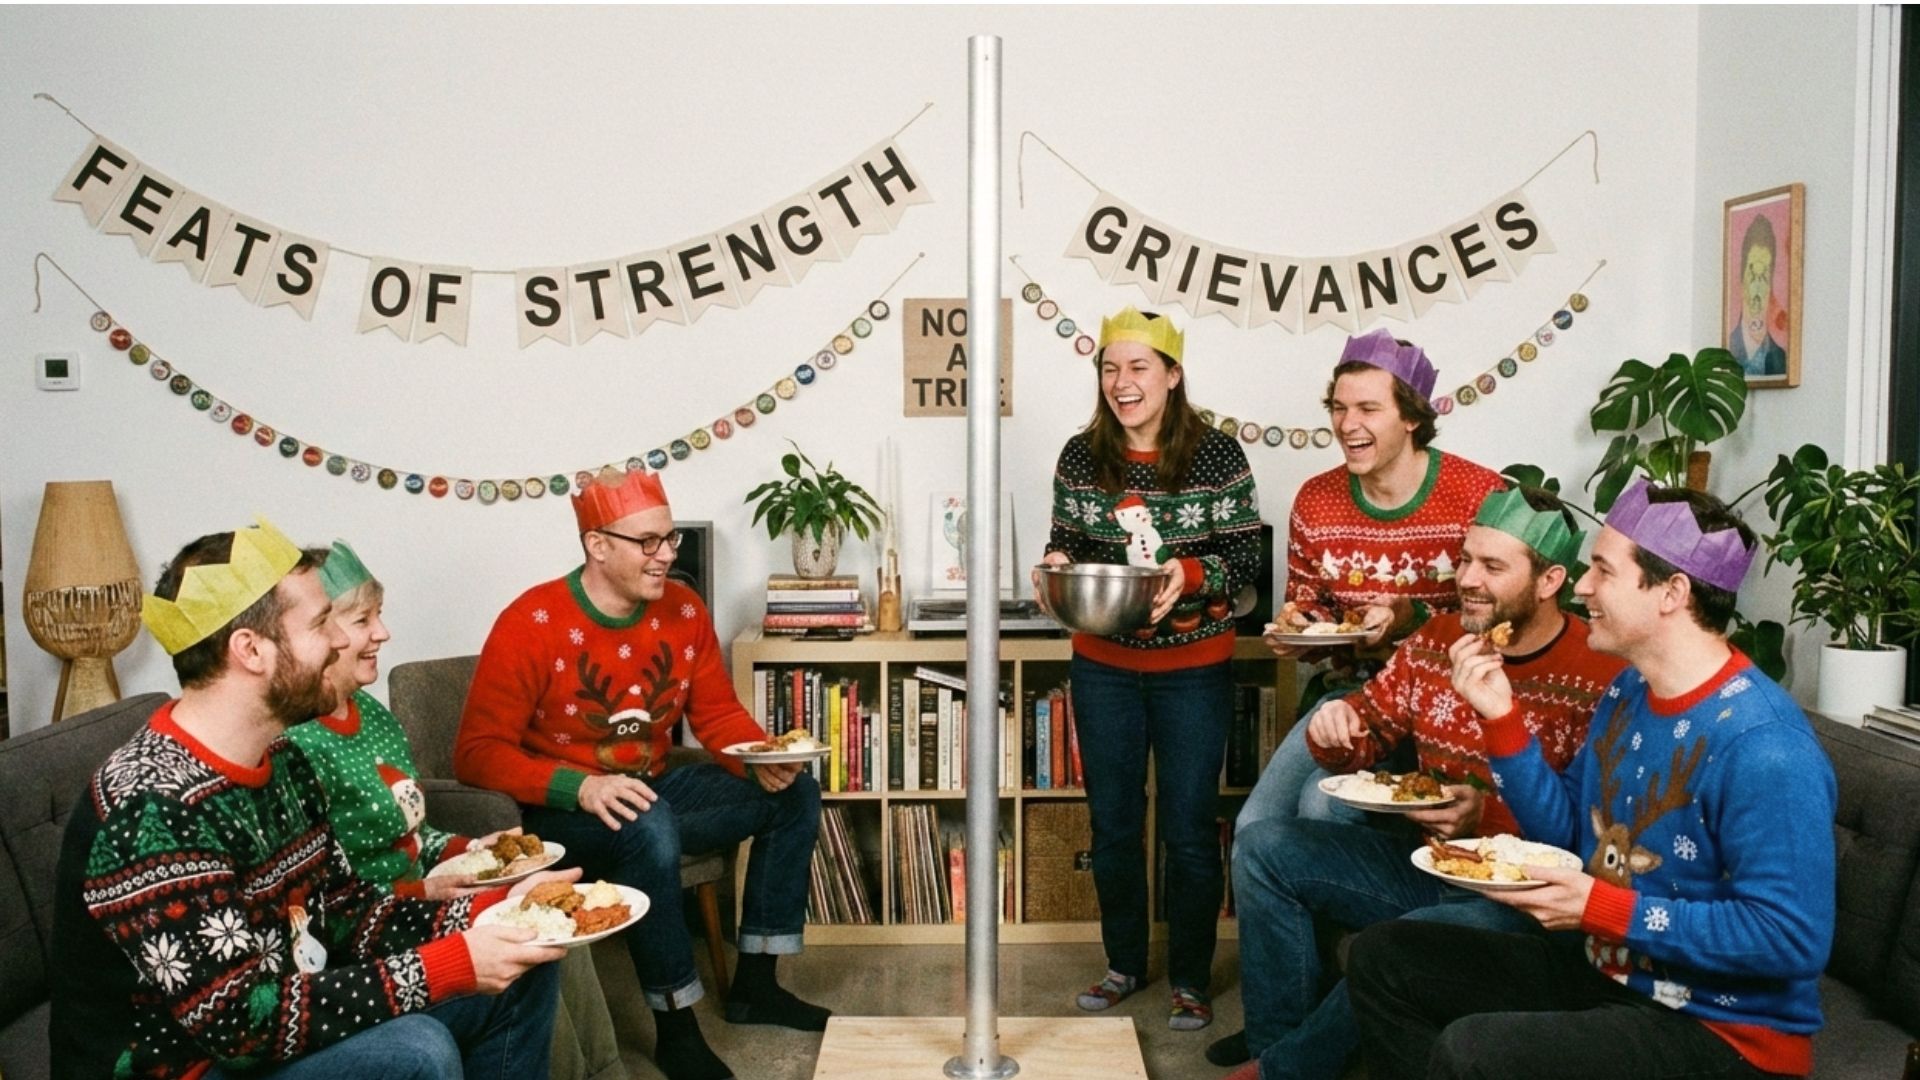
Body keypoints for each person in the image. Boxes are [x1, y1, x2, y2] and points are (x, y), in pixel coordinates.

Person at [1347, 480, 1837, 1080]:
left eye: (1602, 570)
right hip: (1609, 972)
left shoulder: (1766, 747)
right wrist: (1502, 719)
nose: (1580, 586)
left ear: (1671, 593)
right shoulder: (1630, 691)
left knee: (1471, 1052)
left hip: (1720, 1031)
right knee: (1383, 957)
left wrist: (1604, 908)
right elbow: (1570, 834)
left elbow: (1791, 939)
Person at [49, 518, 567, 1080]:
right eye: (322, 623)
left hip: (275, 1019)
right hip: (189, 1066)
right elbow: (243, 1026)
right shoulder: (151, 809)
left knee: (524, 959)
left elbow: (346, 914)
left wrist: (500, 910)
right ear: (251, 650)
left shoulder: (285, 765)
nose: (342, 641)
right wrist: (452, 963)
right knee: (414, 1052)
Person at [1208, 488, 1626, 1076]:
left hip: (1520, 901)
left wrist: (1484, 816)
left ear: (1551, 579)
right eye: (1466, 559)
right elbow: (1372, 727)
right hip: (1428, 865)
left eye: (1493, 566)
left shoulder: (1603, 671)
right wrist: (1341, 726)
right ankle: (1275, 1043)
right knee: (1263, 847)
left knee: (1407, 939)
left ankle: (1282, 1070)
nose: (1468, 579)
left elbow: (1591, 832)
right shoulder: (1440, 639)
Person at [455, 467, 826, 1080]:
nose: (665, 557)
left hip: (646, 793)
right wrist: (581, 785)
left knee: (795, 795)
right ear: (597, 546)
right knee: (647, 821)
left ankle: (756, 983)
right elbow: (477, 751)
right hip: (561, 815)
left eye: (670, 539)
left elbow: (716, 713)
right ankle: (676, 1027)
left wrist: (761, 758)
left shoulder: (683, 608)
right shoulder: (531, 620)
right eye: (647, 542)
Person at [287, 540, 623, 1080]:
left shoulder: (371, 715)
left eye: (379, 615)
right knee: (532, 938)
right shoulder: (295, 749)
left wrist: (475, 850)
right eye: (359, 619)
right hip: (385, 927)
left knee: (560, 919)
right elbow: (332, 907)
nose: (382, 632)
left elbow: (410, 828)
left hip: (421, 899)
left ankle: (602, 1071)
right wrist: (426, 894)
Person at [1035, 306, 1264, 1031]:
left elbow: (1247, 560)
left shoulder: (1219, 456)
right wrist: (1057, 565)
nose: (1121, 383)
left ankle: (1191, 980)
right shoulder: (1080, 455)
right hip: (1103, 664)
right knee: (1111, 824)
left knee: (1191, 829)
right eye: (1109, 368)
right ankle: (1124, 964)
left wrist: (1189, 575)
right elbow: (1065, 542)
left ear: (1171, 374)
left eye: (1138, 368)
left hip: (1196, 665)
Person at [1244, 328, 1506, 828]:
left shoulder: (1478, 494)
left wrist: (1413, 619)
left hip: (1448, 704)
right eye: (1339, 409)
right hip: (1349, 695)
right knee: (1258, 825)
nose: (1348, 424)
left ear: (1411, 416)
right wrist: (1300, 627)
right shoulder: (1316, 501)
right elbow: (1310, 607)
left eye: (1368, 409)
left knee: (1322, 809)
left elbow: (1503, 622)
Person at [1729, 214, 1787, 377]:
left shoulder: (1781, 359)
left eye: (1764, 277)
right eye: (1752, 274)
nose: (1757, 286)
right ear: (1741, 278)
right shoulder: (1726, 351)